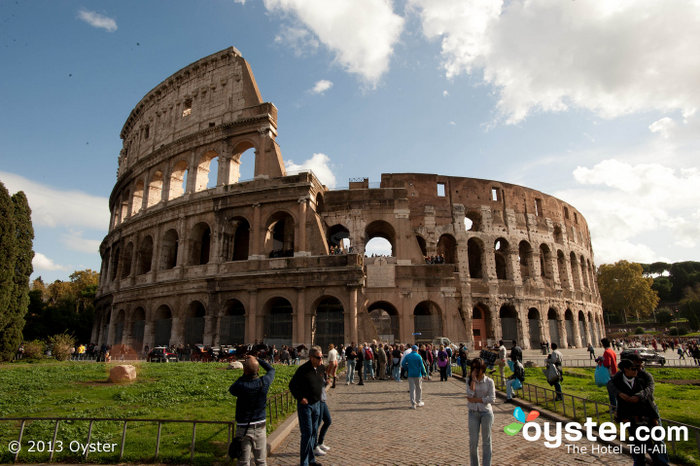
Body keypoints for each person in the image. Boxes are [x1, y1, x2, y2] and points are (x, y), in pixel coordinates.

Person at [612, 358, 669, 465]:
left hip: (648, 411)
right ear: (626, 368)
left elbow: (649, 392)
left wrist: (639, 396)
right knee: (638, 441)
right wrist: (619, 394)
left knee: (657, 438)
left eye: (639, 365)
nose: (639, 368)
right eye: (635, 366)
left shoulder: (645, 377)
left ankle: (662, 462)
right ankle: (640, 462)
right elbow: (612, 387)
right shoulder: (619, 378)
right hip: (632, 415)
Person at [228, 355, 276, 465]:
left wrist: (244, 374)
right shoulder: (264, 382)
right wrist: (258, 359)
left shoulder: (241, 385)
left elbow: (232, 389)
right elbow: (271, 369)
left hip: (243, 427)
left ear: (244, 370)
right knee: (261, 461)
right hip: (260, 426)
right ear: (258, 370)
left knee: (244, 462)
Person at [289, 346, 324, 466]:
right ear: (311, 358)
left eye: (322, 357)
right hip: (306, 406)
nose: (321, 360)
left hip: (317, 404)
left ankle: (311, 460)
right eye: (318, 357)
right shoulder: (302, 370)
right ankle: (304, 463)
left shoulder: (320, 368)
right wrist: (300, 398)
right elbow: (292, 385)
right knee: (307, 433)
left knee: (313, 432)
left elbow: (321, 380)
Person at [466, 358, 496, 466]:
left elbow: (492, 399)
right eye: (473, 368)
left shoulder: (489, 382)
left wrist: (478, 400)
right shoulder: (469, 380)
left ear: (482, 369)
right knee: (473, 442)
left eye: (477, 368)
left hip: (486, 413)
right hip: (473, 412)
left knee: (486, 441)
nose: (475, 371)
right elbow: (469, 396)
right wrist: (473, 381)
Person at [314, 362, 332, 458]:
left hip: (323, 399)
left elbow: (322, 385)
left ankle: (320, 442)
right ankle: (314, 446)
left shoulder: (321, 370)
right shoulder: (314, 371)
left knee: (328, 421)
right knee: (317, 424)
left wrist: (326, 382)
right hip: (318, 400)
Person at [601, 338, 618, 412]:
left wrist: (601, 361)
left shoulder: (606, 352)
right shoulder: (612, 351)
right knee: (615, 391)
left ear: (603, 344)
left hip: (610, 374)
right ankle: (616, 406)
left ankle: (614, 408)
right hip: (615, 372)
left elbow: (607, 364)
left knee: (611, 392)